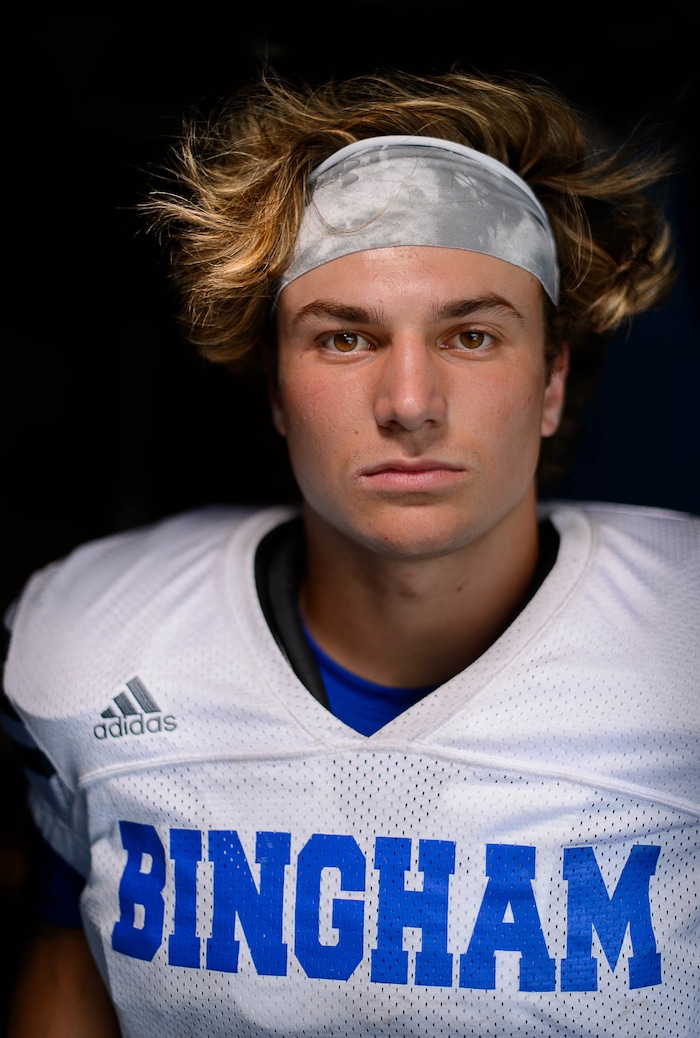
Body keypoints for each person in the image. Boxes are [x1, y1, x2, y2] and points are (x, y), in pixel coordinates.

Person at [1, 69, 698, 1038]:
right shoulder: (94, 636)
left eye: (471, 334)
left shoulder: (681, 642)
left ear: (550, 381)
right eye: (342, 339)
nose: (409, 402)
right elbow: (66, 951)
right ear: (276, 389)